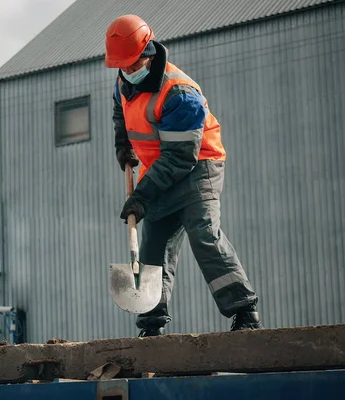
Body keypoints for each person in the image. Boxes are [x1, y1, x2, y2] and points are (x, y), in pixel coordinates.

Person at [104, 15, 263, 337]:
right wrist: (124, 147)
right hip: (159, 168)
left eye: (134, 65)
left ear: (149, 53)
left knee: (203, 233)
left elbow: (181, 157)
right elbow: (121, 112)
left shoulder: (180, 93)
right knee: (153, 247)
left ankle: (244, 311)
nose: (129, 72)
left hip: (198, 165)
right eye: (123, 67)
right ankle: (151, 324)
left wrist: (142, 196)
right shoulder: (124, 82)